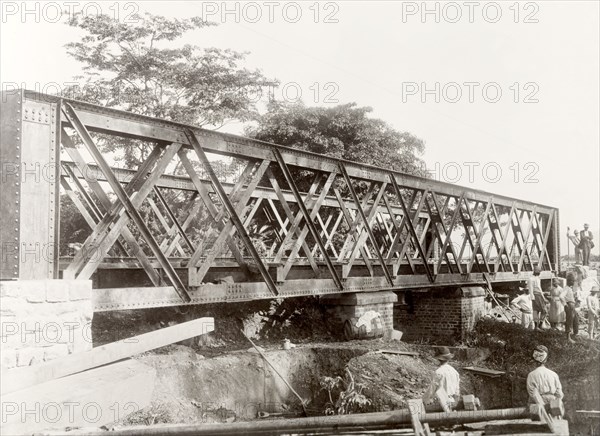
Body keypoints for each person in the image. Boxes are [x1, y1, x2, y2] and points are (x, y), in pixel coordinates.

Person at [423, 347, 460, 412]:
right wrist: (455, 401)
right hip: (452, 402)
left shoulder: (439, 372)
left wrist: (424, 399)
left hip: (442, 403)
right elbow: (457, 391)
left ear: (438, 360)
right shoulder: (454, 371)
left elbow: (432, 389)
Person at [561, 273, 579, 342]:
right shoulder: (566, 288)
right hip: (569, 306)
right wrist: (565, 304)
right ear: (570, 281)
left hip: (572, 306)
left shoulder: (569, 288)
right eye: (573, 281)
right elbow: (561, 296)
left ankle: (574, 335)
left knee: (576, 320)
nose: (574, 282)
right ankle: (568, 337)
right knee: (569, 321)